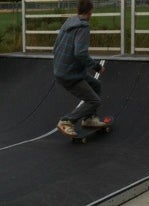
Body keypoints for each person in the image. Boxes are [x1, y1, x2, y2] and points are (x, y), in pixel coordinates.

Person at [53, 0, 107, 137]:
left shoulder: (69, 22)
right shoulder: (83, 27)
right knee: (94, 101)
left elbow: (56, 45)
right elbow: (80, 53)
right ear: (90, 12)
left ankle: (89, 119)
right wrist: (97, 66)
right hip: (70, 74)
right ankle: (66, 121)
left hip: (63, 69)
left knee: (96, 84)